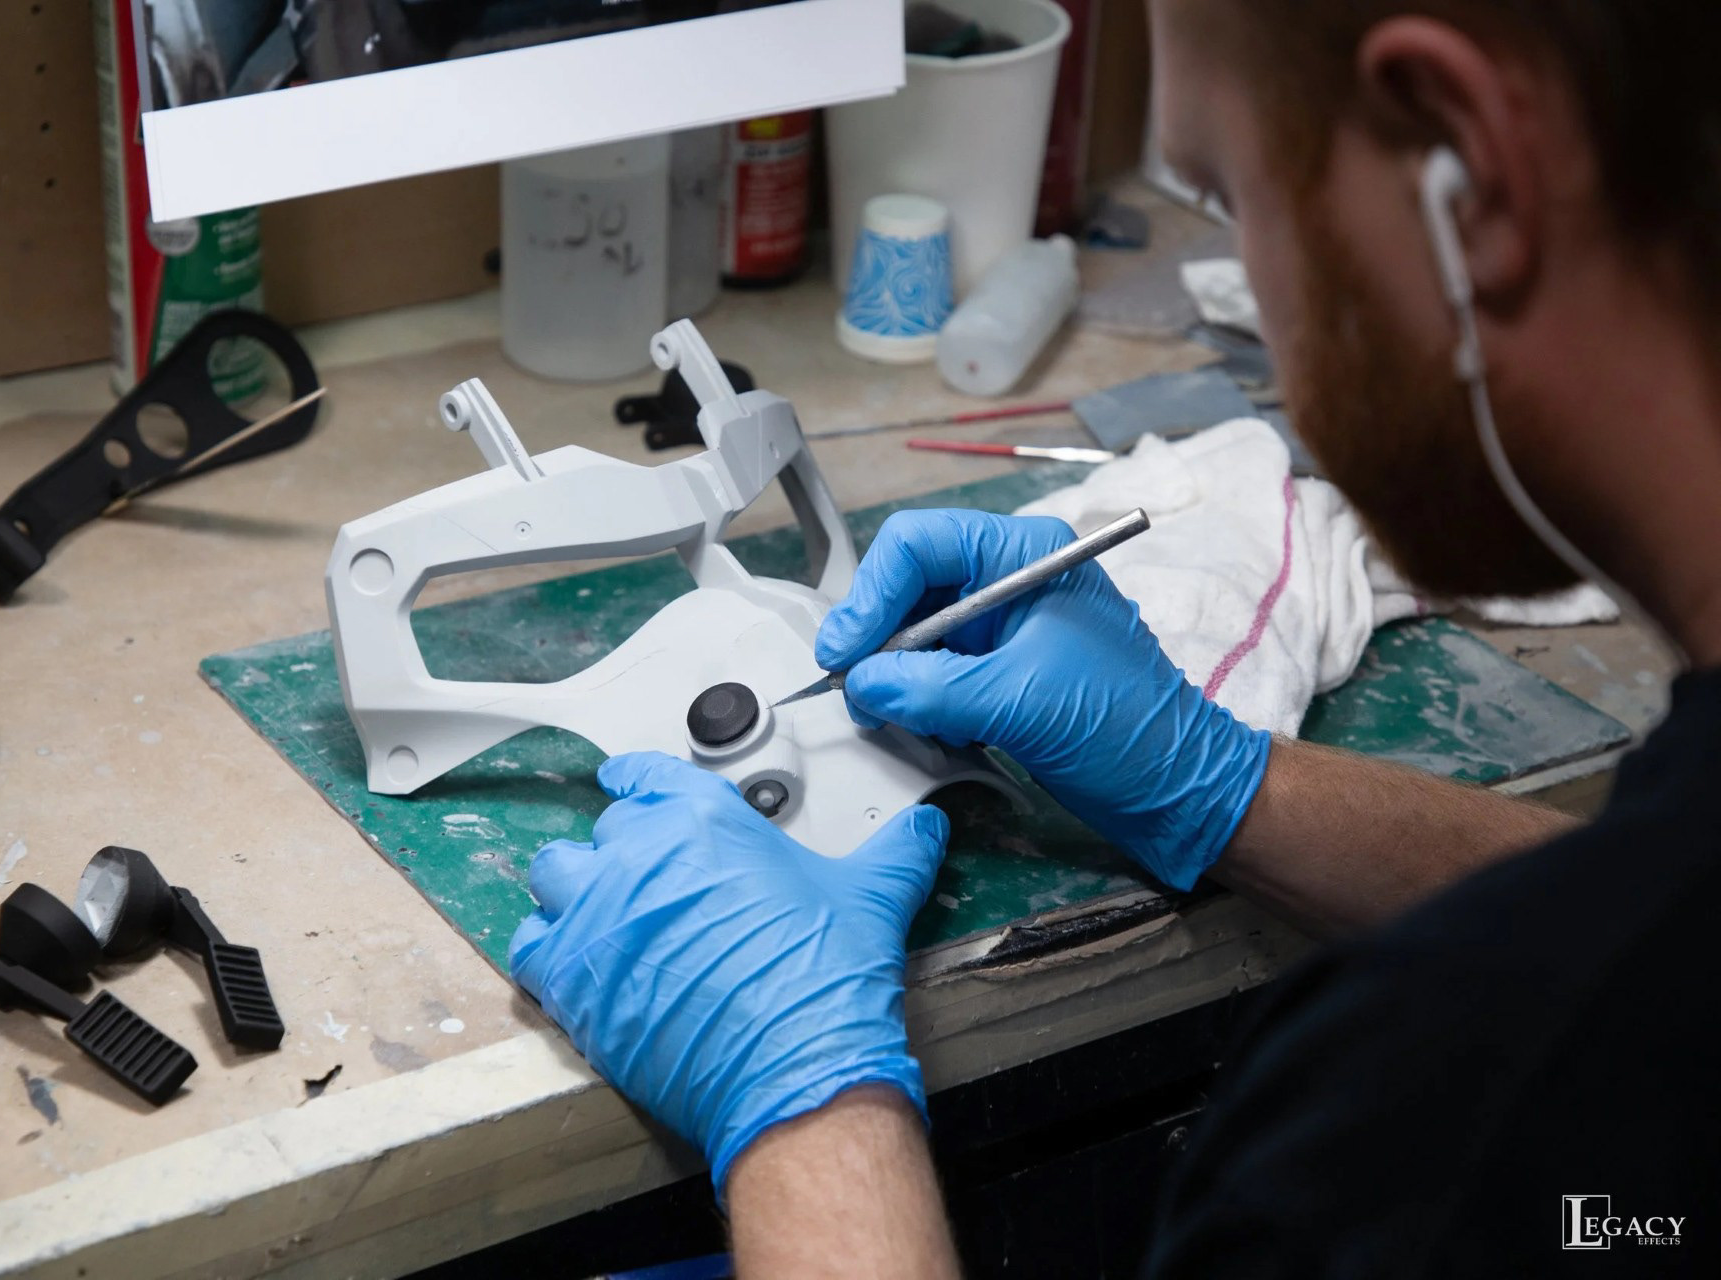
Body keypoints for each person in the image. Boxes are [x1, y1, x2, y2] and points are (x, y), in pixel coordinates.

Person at [506, 1, 1721, 1273]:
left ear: (1469, 176)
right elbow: (1653, 936)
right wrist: (1223, 782)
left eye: (1234, 198)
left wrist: (803, 1105)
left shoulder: (1426, 1158)